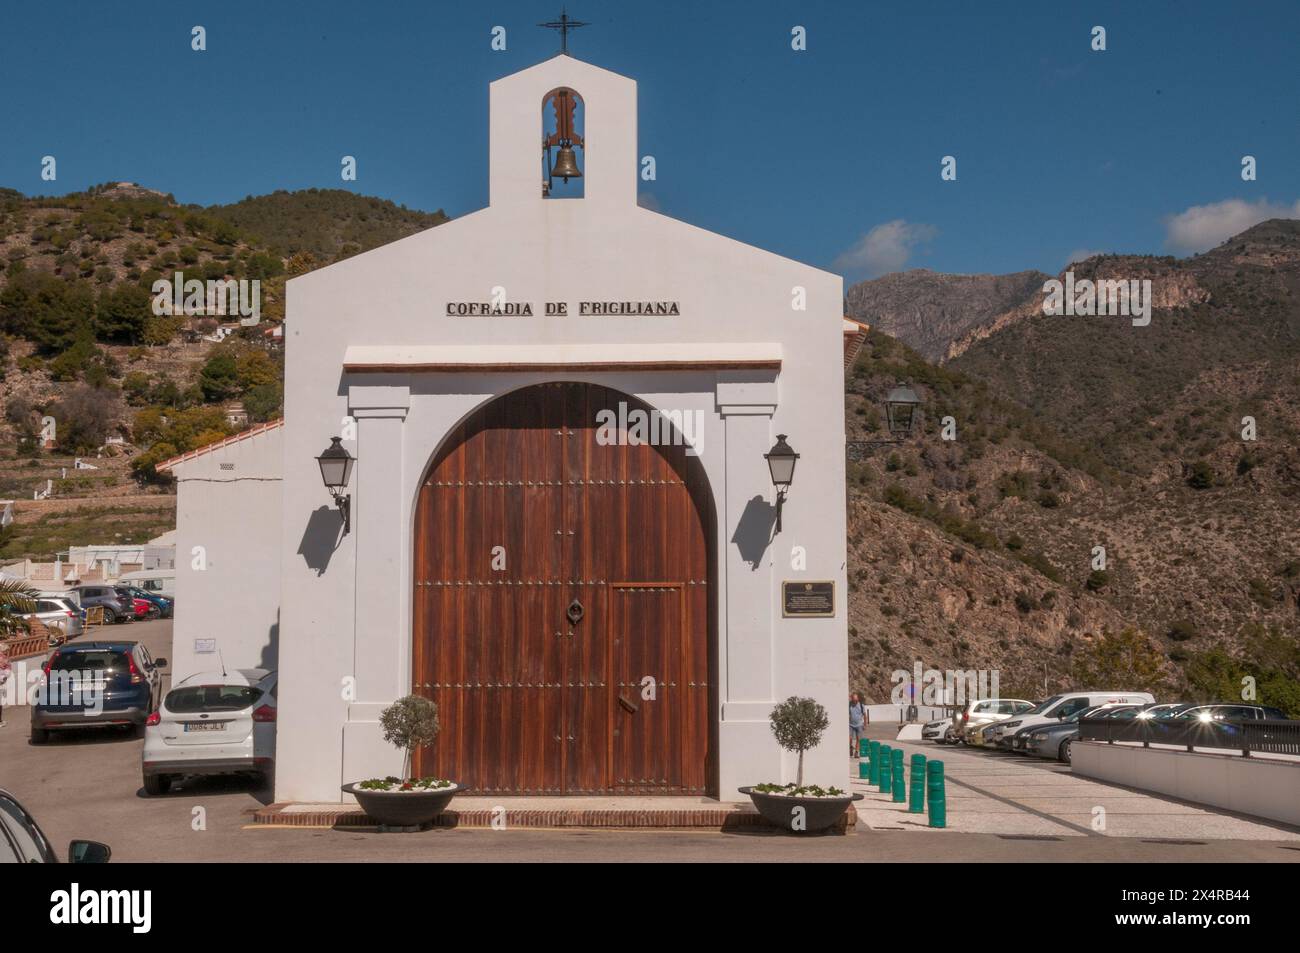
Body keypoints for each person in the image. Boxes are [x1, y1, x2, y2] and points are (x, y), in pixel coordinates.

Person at [849, 692, 865, 757]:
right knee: (849, 738)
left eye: (856, 699)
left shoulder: (861, 705)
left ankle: (856, 752)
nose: (855, 701)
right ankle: (850, 747)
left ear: (858, 699)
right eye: (854, 699)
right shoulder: (849, 705)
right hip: (851, 725)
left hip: (859, 725)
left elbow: (865, 715)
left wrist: (865, 725)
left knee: (859, 739)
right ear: (852, 699)